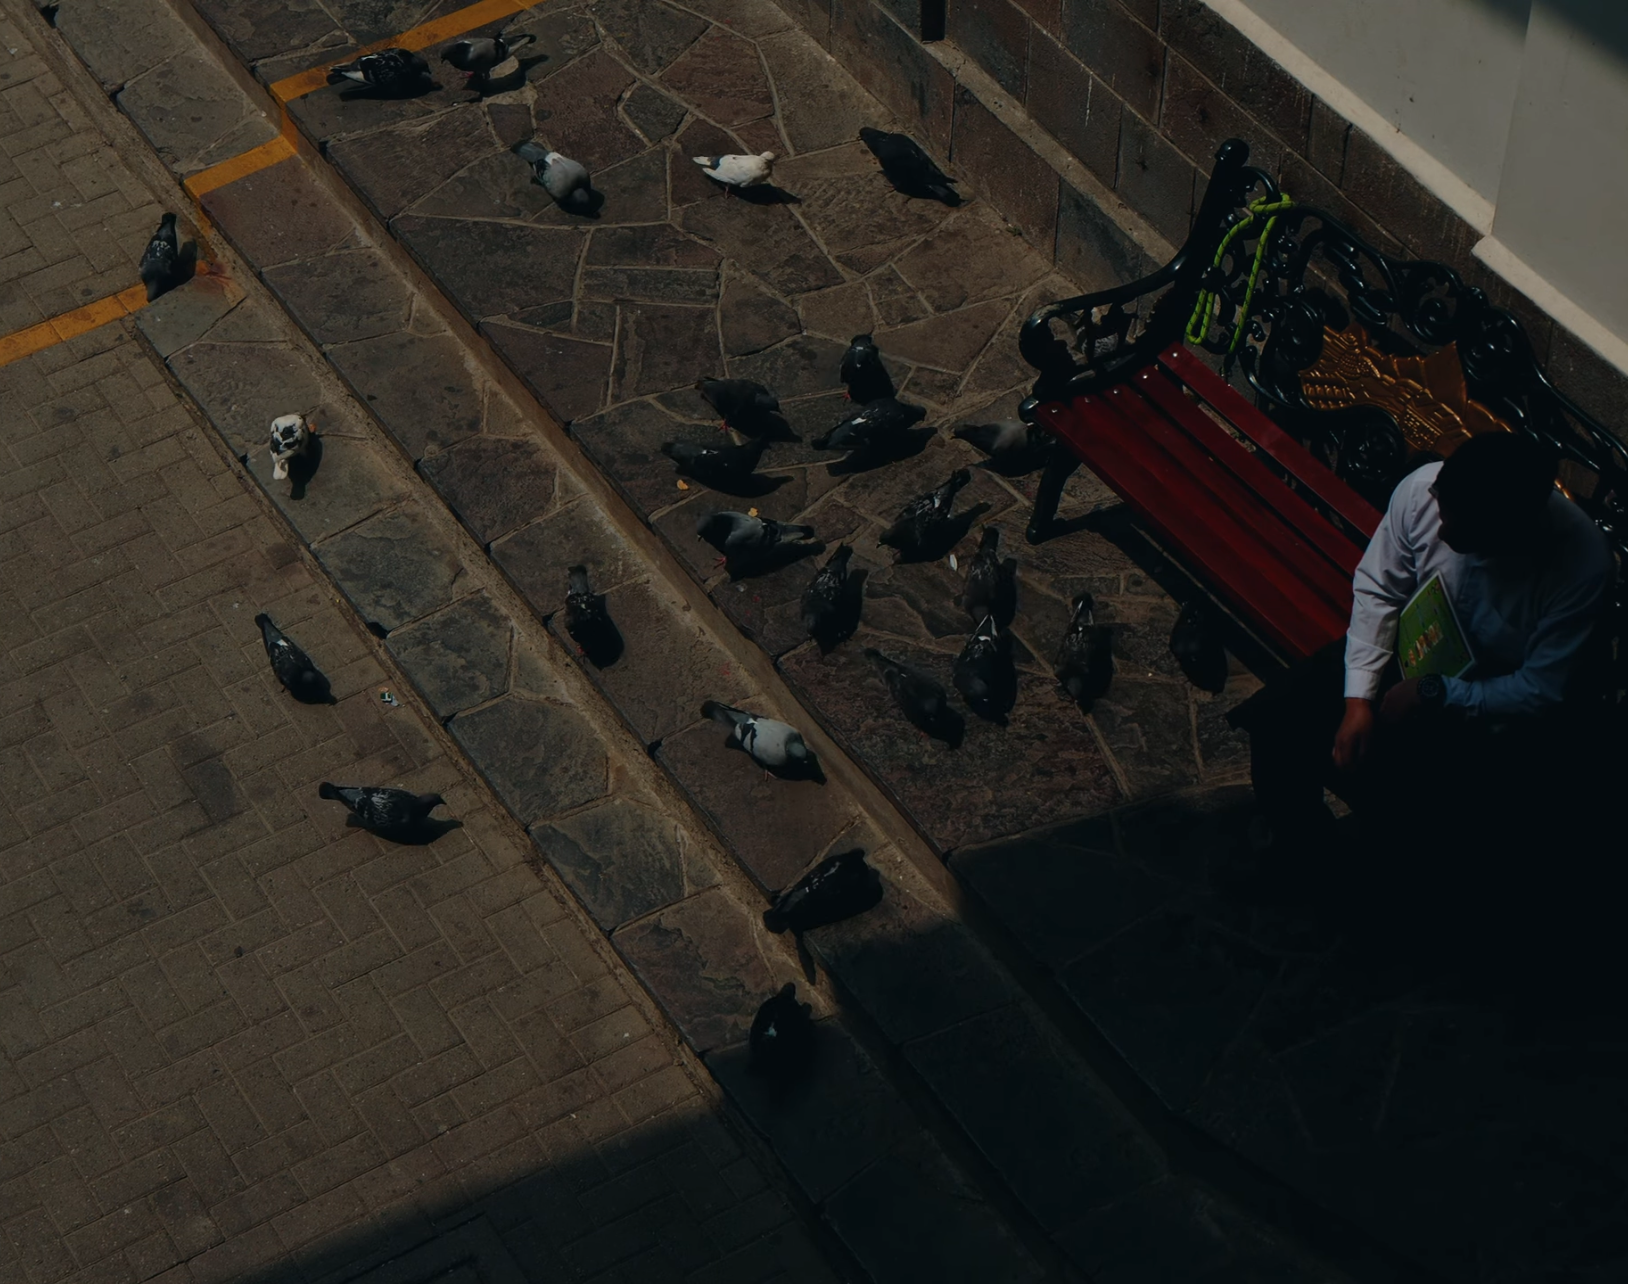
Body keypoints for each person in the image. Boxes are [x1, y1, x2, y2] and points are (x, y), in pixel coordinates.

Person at [1232, 431, 1614, 885]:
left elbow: (1541, 688)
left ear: (1511, 528)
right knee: (1278, 719)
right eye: (1442, 510)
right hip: (1415, 647)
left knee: (1420, 802)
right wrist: (1358, 700)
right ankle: (1304, 848)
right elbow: (1380, 588)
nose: (1444, 530)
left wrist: (1437, 693)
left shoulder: (1580, 565)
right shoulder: (1423, 490)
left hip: (1490, 696)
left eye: (1464, 528)